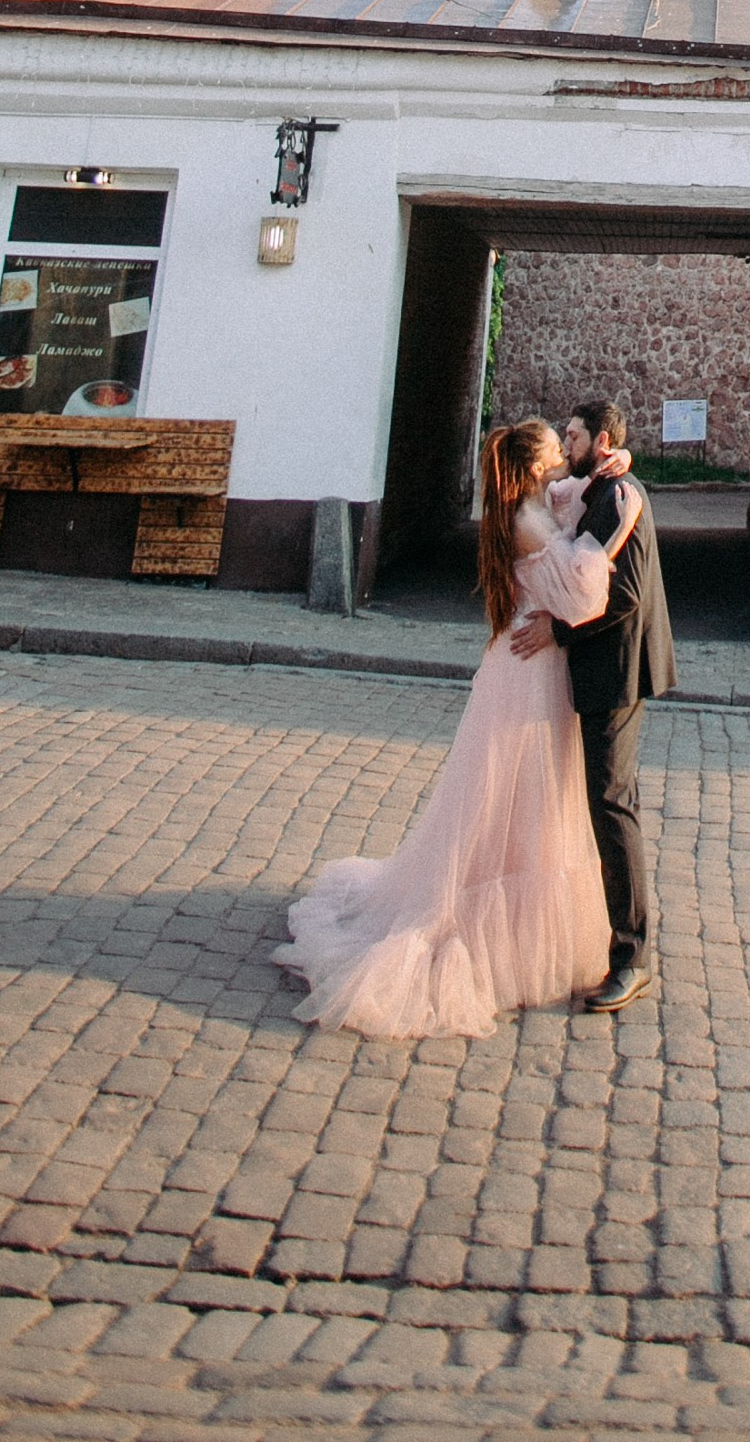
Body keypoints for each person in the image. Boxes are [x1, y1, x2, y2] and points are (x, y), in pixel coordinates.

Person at [272, 418, 642, 1035]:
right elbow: (582, 595)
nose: (563, 456)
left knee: (530, 800)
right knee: (504, 799)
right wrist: (617, 529)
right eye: (556, 448)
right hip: (529, 675)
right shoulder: (526, 522)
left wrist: (617, 458)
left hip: (532, 668)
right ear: (532, 466)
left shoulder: (533, 501)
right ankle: (469, 924)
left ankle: (513, 911)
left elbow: (579, 491)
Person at [513, 397, 676, 1013]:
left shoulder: (619, 496)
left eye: (575, 435)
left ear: (600, 440)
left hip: (618, 669)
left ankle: (633, 957)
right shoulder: (600, 488)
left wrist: (558, 631)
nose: (567, 442)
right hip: (602, 666)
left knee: (611, 803)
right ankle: (621, 940)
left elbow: (626, 594)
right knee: (604, 799)